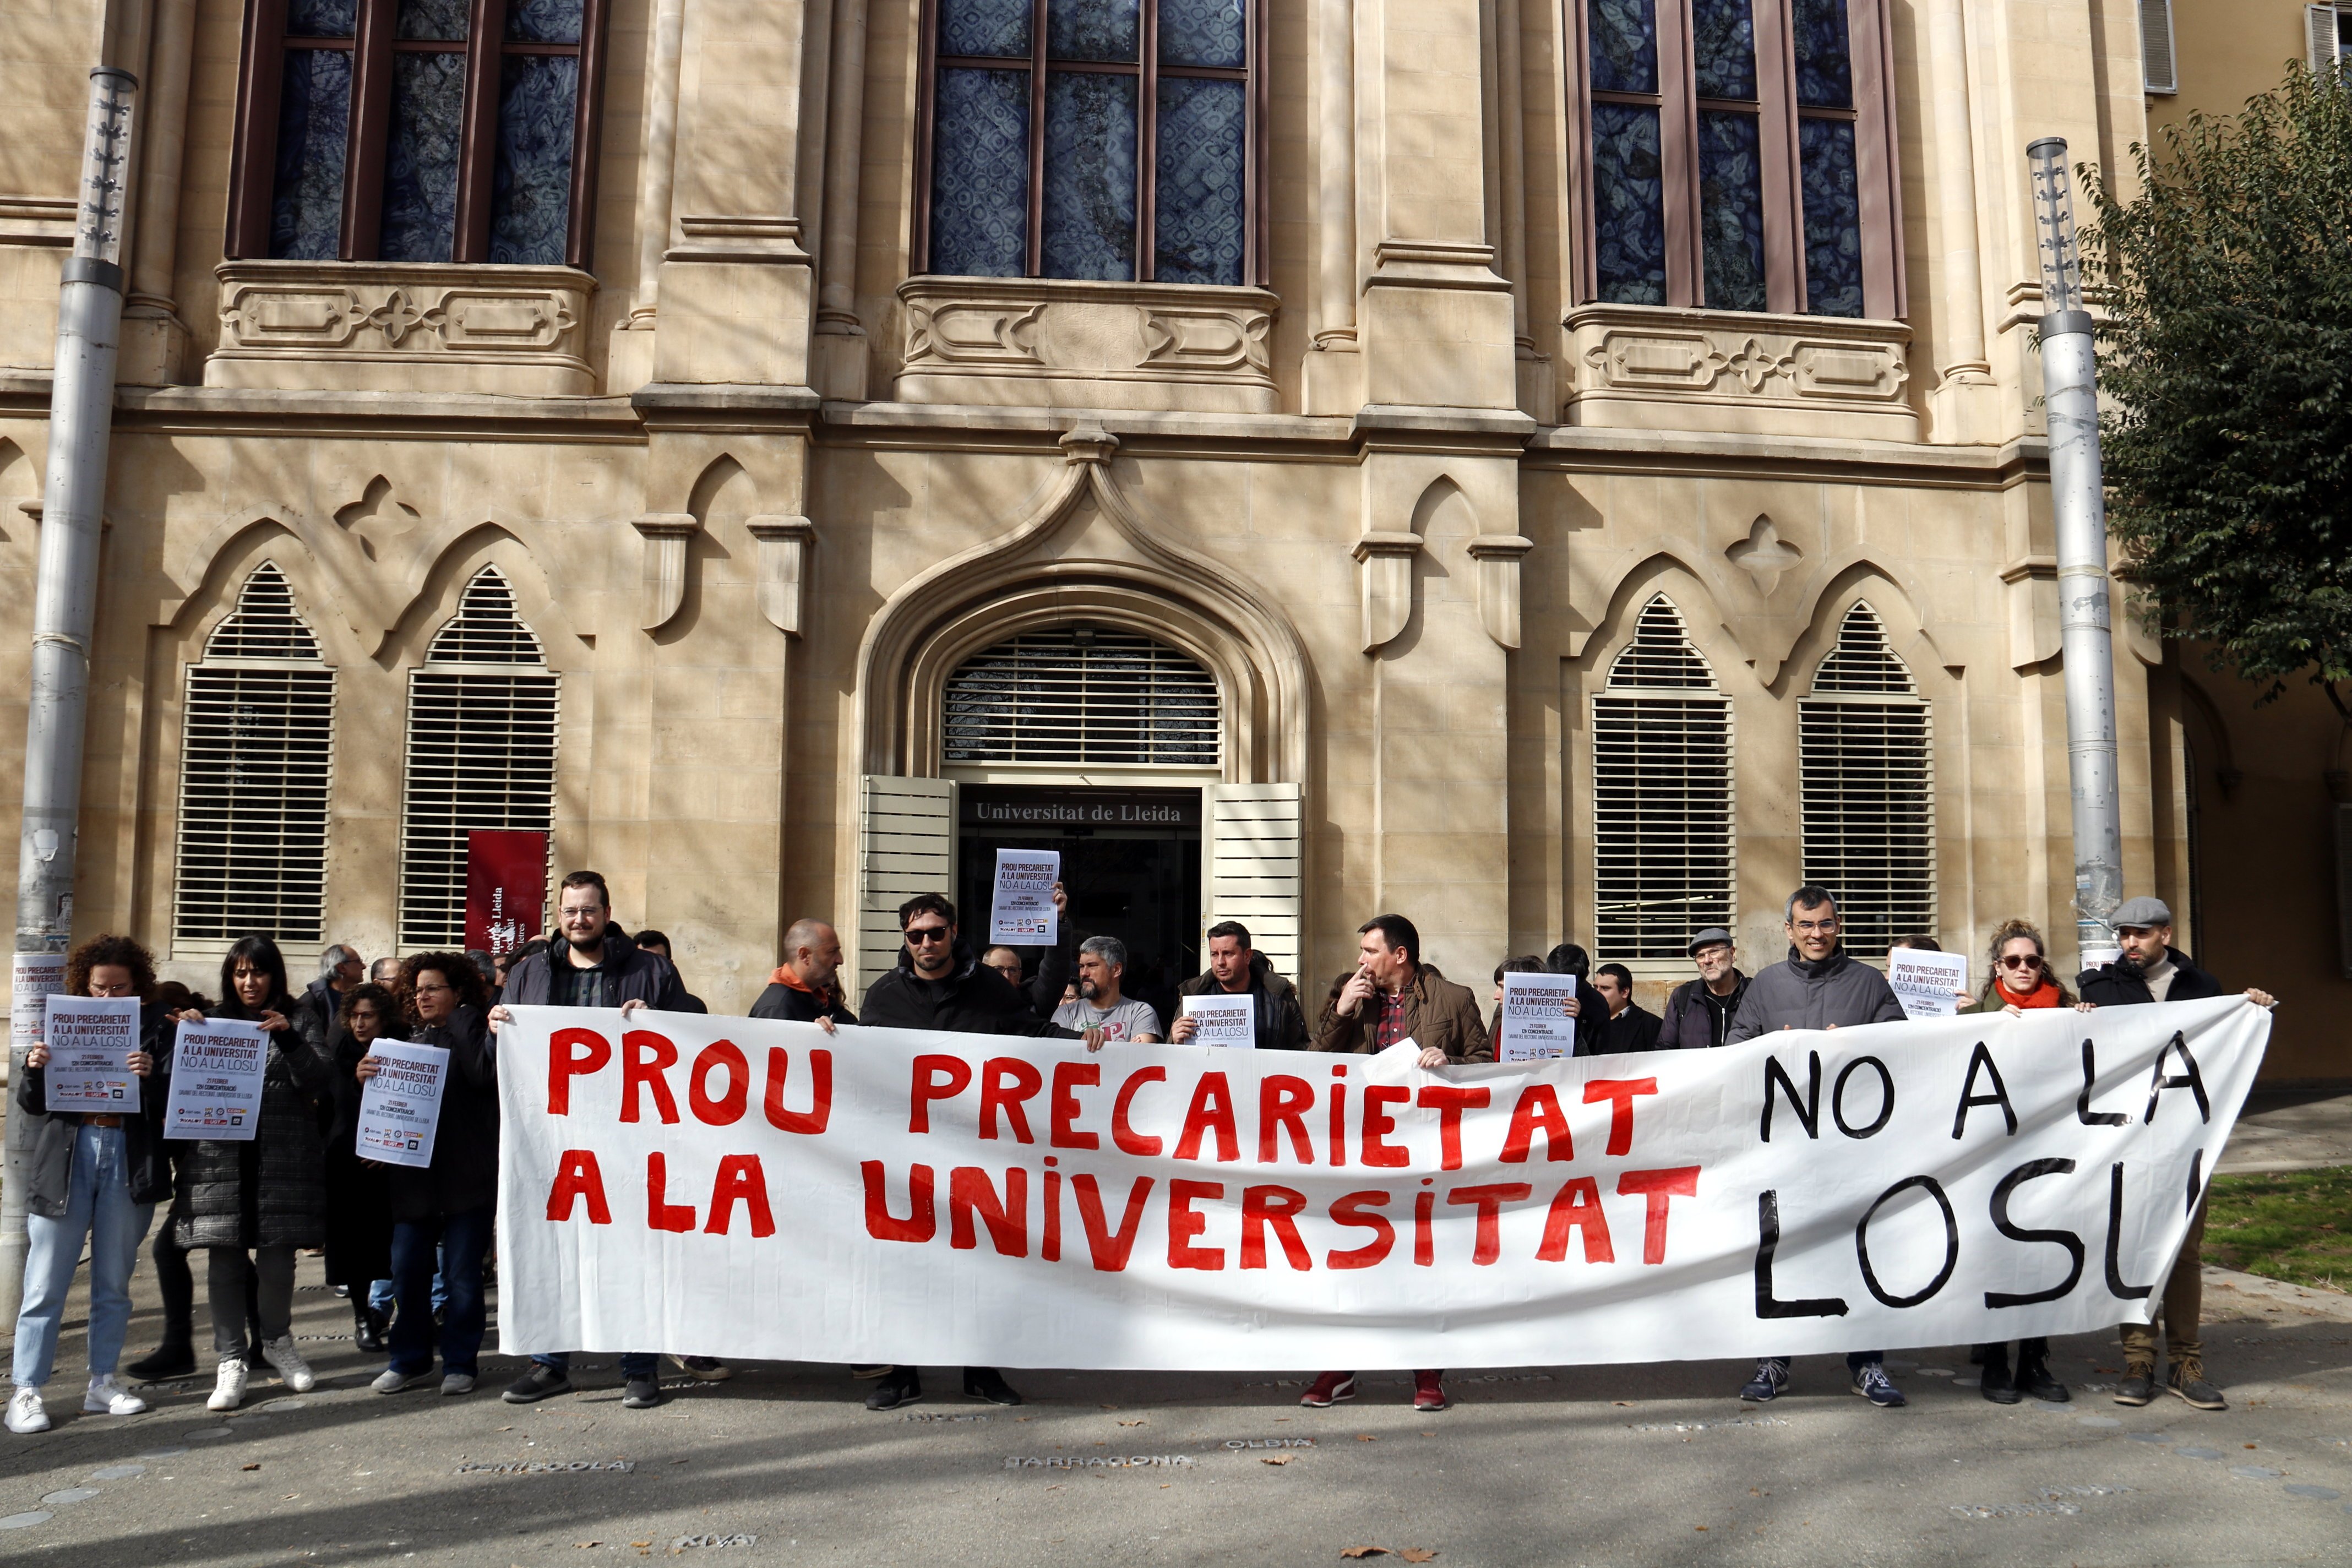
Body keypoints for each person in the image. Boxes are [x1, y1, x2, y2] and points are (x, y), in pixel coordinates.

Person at [853, 892, 1088, 1412]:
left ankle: (980, 1371)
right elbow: (858, 1055)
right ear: (905, 938)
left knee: (979, 1263)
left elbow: (1032, 1034)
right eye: (916, 935)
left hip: (974, 1153)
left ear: (954, 932)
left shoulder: (987, 988)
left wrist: (1091, 1045)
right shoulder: (885, 994)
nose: (927, 943)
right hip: (905, 1155)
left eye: (936, 932)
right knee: (904, 1263)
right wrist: (826, 1036)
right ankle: (902, 1373)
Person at [494, 871, 691, 1409]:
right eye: (569, 911)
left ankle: (639, 1367)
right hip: (552, 1138)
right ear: (557, 914)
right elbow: (503, 1065)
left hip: (628, 1136)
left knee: (632, 1250)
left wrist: (663, 1025)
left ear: (607, 913)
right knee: (554, 1247)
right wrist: (497, 1031)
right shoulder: (530, 972)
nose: (578, 919)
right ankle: (550, 1363)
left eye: (588, 910)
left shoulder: (651, 970)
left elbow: (696, 1035)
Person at [2077, 895, 2276, 1413]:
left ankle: (2186, 1363)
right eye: (2122, 935)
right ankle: (2138, 1359)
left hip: (2188, 1142)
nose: (2129, 944)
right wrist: (2077, 1021)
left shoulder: (2203, 989)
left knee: (2184, 1253)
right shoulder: (2099, 988)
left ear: (2165, 934)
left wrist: (2249, 1010)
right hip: (2125, 1143)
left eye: (2140, 934)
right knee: (2134, 1250)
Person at [1727, 886, 1908, 1409]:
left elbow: (1901, 1043)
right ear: (1789, 930)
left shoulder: (1869, 982)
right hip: (1786, 1147)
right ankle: (1775, 1359)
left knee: (1859, 1248)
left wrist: (1853, 1045)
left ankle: (1867, 1363)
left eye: (1825, 924)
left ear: (1838, 925)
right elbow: (1737, 1047)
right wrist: (1772, 1045)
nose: (1816, 935)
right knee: (1781, 1250)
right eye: (1806, 926)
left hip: (1853, 1146)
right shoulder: (1766, 985)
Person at [1305, 914, 1487, 1414]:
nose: (1361, 960)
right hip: (1362, 1152)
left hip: (1427, 1153)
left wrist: (1450, 1065)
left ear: (1399, 955)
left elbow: (1487, 1063)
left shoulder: (1454, 998)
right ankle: (1340, 1369)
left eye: (1370, 950)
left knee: (1424, 1262)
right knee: (1352, 1259)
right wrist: (1341, 1011)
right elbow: (1314, 1062)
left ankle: (1428, 1372)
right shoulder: (1348, 992)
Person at [6, 936, 171, 1433]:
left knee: (113, 1282)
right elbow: (33, 1105)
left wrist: (151, 1077)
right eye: (99, 988)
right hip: (68, 1157)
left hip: (128, 1155)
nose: (107, 998)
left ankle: (102, 1381)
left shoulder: (161, 1028)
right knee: (44, 1282)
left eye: (119, 988)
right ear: (86, 985)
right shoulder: (62, 1021)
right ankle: (26, 1391)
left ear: (137, 986)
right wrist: (35, 1068)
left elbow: (176, 1106)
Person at [170, 937, 337, 1411]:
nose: (250, 982)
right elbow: (175, 1085)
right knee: (224, 1261)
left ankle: (278, 1342)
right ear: (230, 976)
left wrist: (288, 1035)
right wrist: (185, 1036)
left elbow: (321, 1079)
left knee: (277, 1264)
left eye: (259, 972)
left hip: (280, 1158)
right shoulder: (210, 1019)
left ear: (274, 976)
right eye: (241, 973)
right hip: (219, 1160)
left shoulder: (299, 1018)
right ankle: (230, 1360)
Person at [363, 955, 498, 1397]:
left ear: (457, 992)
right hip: (414, 1183)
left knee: (461, 1278)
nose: (423, 996)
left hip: (466, 1180)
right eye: (418, 990)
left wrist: (462, 1019)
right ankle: (410, 1360)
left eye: (434, 988)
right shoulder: (401, 1040)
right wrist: (362, 1079)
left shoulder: (475, 1032)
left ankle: (460, 1362)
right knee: (407, 1274)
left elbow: (483, 1075)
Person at [128, 984, 257, 1382]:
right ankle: (252, 1340)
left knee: (214, 1253)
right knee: (217, 1253)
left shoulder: (201, 1040)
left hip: (217, 1169)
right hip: (198, 1171)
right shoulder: (169, 1054)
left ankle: (184, 1345)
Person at [323, 982, 400, 1353]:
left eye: (367, 1015)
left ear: (383, 1017)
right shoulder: (340, 1051)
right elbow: (332, 1106)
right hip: (349, 1163)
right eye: (354, 1016)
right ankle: (362, 1318)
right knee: (354, 1249)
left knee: (396, 1247)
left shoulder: (405, 1046)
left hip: (393, 1167)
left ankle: (408, 1315)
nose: (360, 1024)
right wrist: (355, 1082)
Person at [1171, 922, 1310, 1049]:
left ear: (1247, 956)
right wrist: (1175, 1041)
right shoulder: (1194, 996)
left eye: (1228, 954)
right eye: (1214, 954)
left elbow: (1302, 1050)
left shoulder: (1279, 996)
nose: (1220, 962)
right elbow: (1171, 1060)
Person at [750, 918, 859, 1030]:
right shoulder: (777, 1008)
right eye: (832, 952)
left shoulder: (823, 1001)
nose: (840, 960)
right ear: (804, 955)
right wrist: (810, 1036)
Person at [1053, 935, 1163, 1043]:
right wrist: (1127, 1050)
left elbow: (1140, 1058)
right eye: (1082, 966)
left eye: (1092, 966)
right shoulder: (1065, 1013)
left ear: (1116, 970)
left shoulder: (1140, 1013)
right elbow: (1057, 1056)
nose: (1083, 973)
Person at [1655, 928, 1747, 1050]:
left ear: (1732, 954)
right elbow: (1665, 1050)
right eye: (1700, 956)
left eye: (1714, 952)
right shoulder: (1683, 997)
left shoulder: (1753, 992)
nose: (1707, 960)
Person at [1540, 943, 1609, 1054]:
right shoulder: (1537, 991)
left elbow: (1598, 1056)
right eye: (1556, 979)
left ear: (1584, 976)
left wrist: (1577, 1022)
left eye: (1567, 983)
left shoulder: (1596, 1004)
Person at [631, 930, 708, 1014]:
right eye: (644, 960)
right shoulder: (622, 999)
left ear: (670, 964)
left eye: (659, 961)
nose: (651, 967)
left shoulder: (694, 1007)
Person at [1590, 964, 1661, 1053]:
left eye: (1605, 988)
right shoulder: (1587, 1021)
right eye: (1595, 987)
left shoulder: (1651, 1025)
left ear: (1624, 992)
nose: (1597, 993)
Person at [1485, 955, 1549, 1054]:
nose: (1496, 996)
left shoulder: (1550, 1023)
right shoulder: (1500, 1014)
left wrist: (1572, 1022)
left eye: (1503, 988)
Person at [303, 945, 364, 1040]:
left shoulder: (362, 996)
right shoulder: (313, 1001)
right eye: (358, 962)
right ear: (341, 968)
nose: (364, 966)